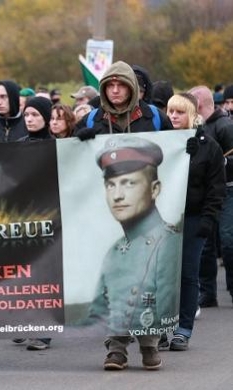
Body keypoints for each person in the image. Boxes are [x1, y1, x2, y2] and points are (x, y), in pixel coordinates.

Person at [88, 136, 182, 371]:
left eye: (129, 183)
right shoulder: (112, 248)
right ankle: (116, 347)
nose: (118, 195)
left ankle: (149, 344)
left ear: (154, 189)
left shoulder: (167, 241)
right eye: (111, 184)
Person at [160, 93, 225, 351]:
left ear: (192, 114)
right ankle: (160, 327)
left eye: (180, 112)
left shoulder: (209, 146)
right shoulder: (160, 142)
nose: (174, 116)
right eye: (171, 112)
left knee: (187, 273)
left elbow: (215, 187)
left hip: (194, 218)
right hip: (164, 220)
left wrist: (208, 220)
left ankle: (183, 328)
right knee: (162, 276)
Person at [12, 95, 54, 351]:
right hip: (23, 218)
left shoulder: (57, 146)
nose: (29, 119)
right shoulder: (17, 146)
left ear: (46, 118)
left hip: (50, 219)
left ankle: (44, 332)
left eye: (35, 115)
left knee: (46, 275)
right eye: (26, 115)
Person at [189, 85, 233, 308]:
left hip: (228, 190)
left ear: (198, 104)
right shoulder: (197, 127)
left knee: (228, 241)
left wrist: (221, 162)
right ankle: (208, 292)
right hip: (206, 194)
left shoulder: (225, 126)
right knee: (205, 245)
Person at [74, 60, 173, 138]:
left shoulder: (155, 116)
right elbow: (71, 156)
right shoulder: (90, 120)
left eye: (121, 85)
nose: (115, 90)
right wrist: (78, 141)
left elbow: (174, 151)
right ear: (104, 89)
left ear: (131, 88)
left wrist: (187, 150)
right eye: (110, 85)